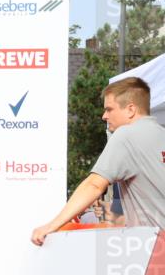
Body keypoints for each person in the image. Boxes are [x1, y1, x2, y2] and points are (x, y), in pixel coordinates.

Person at [32, 77, 165, 243]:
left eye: (109, 109)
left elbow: (94, 184)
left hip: (156, 250)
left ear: (130, 109)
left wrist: (52, 225)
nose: (104, 116)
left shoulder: (126, 135)